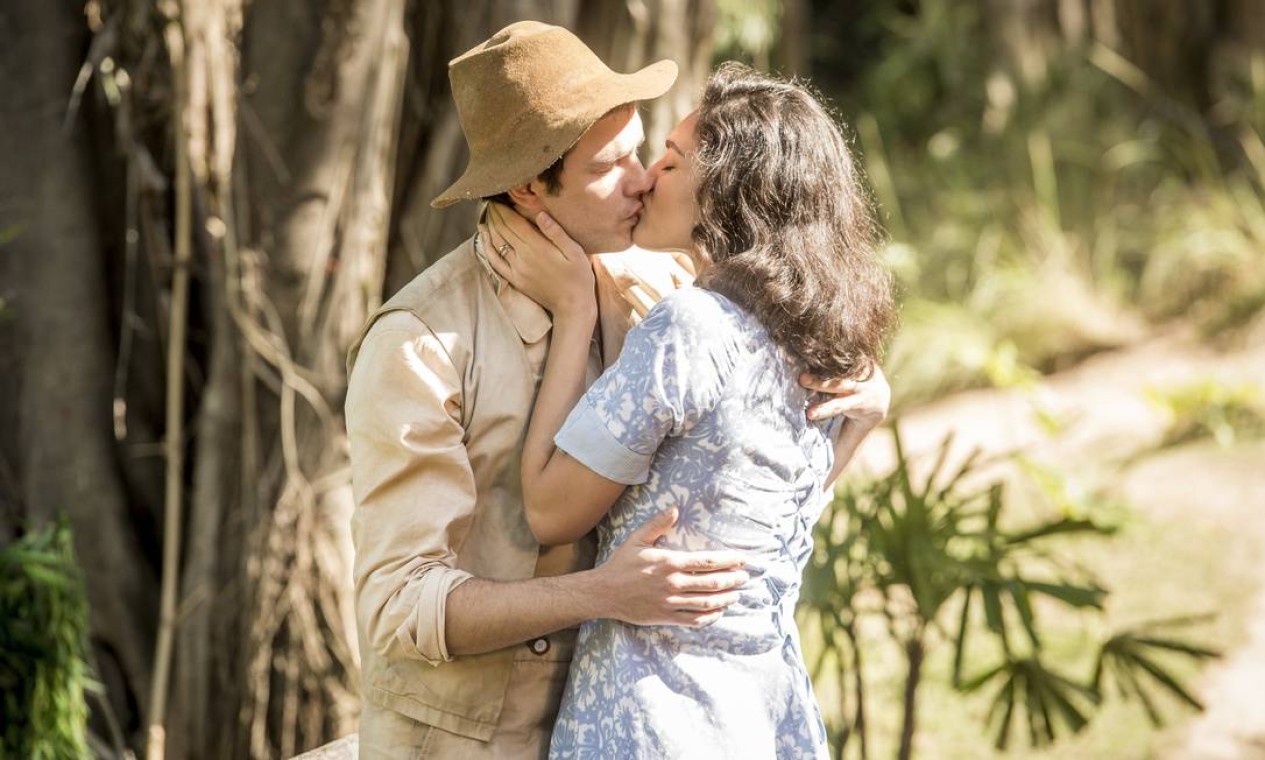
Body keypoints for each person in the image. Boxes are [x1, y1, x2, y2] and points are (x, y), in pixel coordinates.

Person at [345, 21, 889, 759]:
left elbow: (749, 484)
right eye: (612, 165)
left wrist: (859, 399)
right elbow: (397, 604)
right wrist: (601, 593)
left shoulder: (669, 290)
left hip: (651, 721)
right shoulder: (420, 344)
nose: (642, 179)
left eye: (647, 152)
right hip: (471, 744)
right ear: (530, 187)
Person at [484, 63, 896, 758]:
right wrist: (864, 421)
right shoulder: (814, 332)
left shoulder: (690, 328)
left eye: (670, 162)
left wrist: (574, 307)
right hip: (765, 717)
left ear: (722, 192)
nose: (647, 177)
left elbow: (549, 511)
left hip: (652, 717)